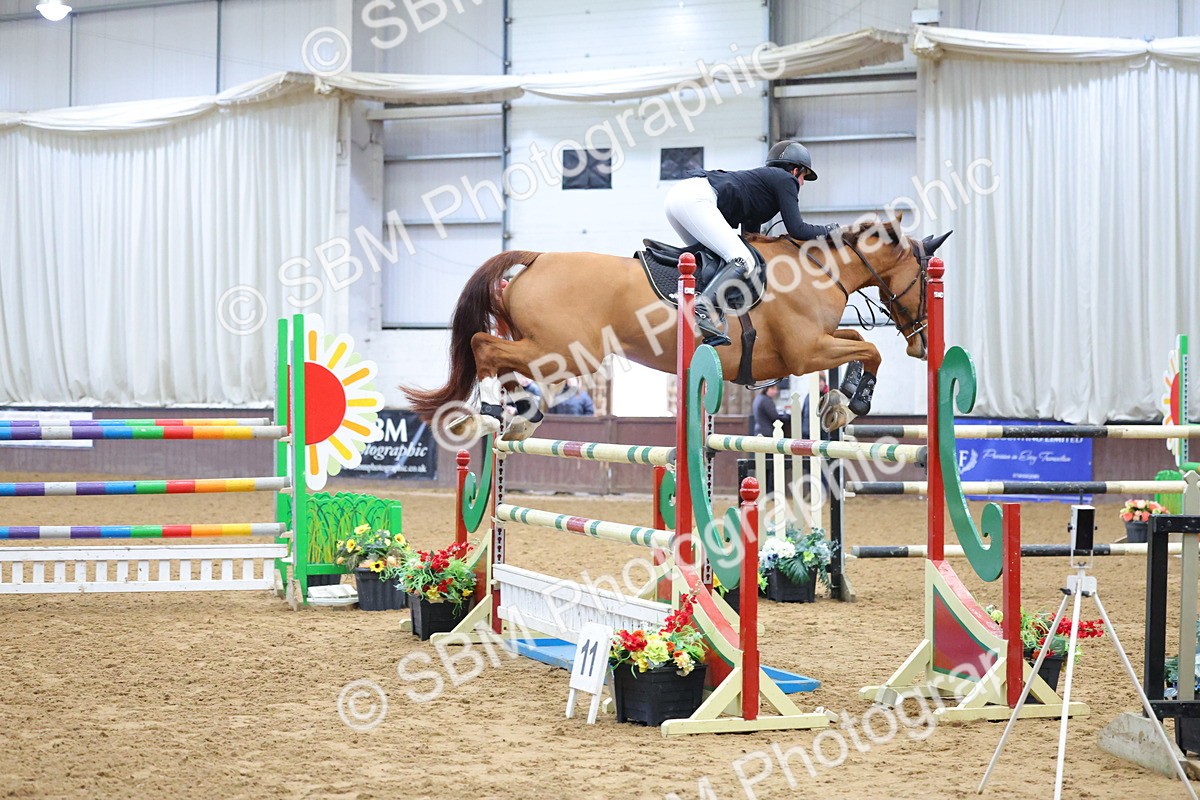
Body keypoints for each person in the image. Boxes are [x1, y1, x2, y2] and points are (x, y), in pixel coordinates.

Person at [663, 140, 839, 345]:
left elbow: (750, 238)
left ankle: (689, 299)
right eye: (803, 176)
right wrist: (830, 231)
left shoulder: (763, 185)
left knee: (714, 260)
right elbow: (797, 229)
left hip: (679, 198)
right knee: (743, 260)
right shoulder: (785, 179)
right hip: (695, 199)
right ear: (795, 170)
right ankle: (701, 309)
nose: (802, 183)